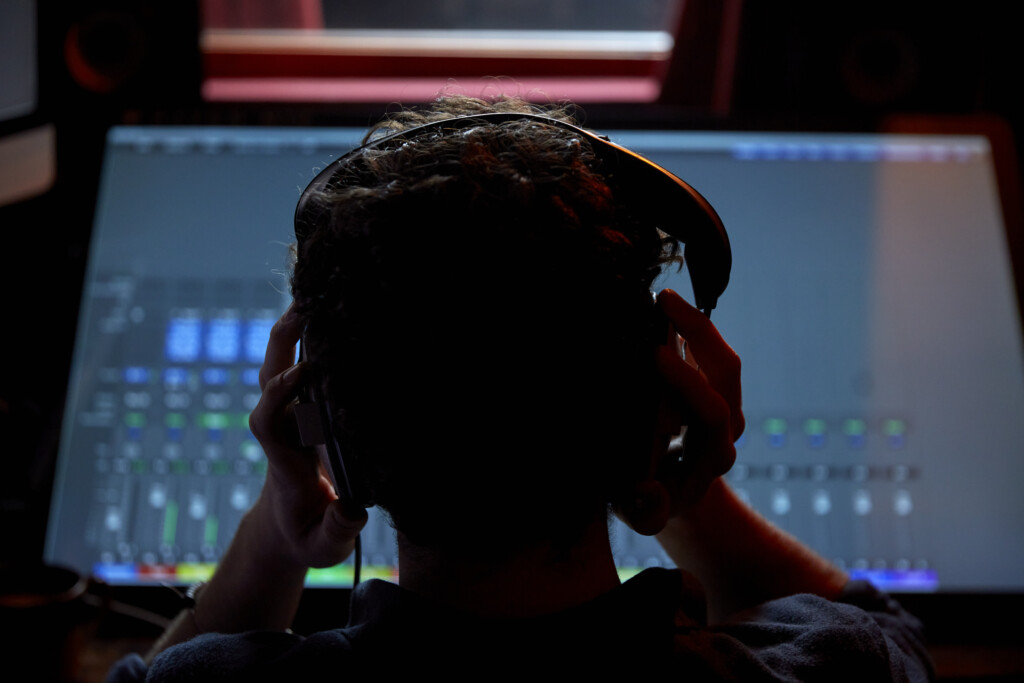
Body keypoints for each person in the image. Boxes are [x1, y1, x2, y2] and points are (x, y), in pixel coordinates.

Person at [108, 96, 933, 681]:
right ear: (659, 408)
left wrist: (276, 536)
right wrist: (670, 484)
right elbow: (896, 639)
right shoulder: (833, 665)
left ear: (330, 429)